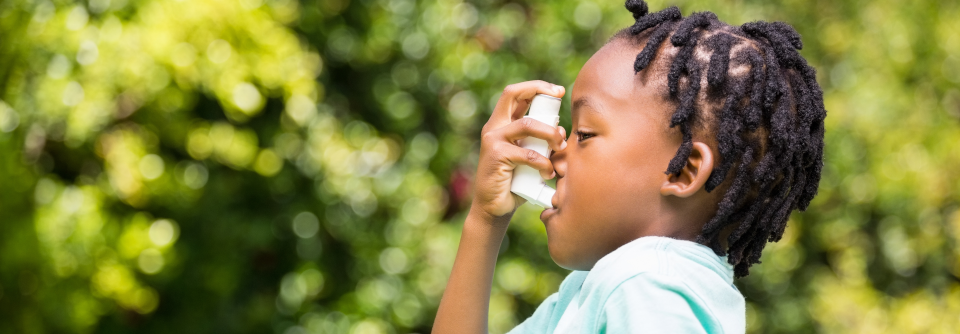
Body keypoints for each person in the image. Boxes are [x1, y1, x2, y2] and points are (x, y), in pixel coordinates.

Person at [433, 0, 826, 332]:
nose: (557, 154)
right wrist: (484, 219)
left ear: (684, 171)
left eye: (584, 134)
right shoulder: (594, 290)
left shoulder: (646, 283)